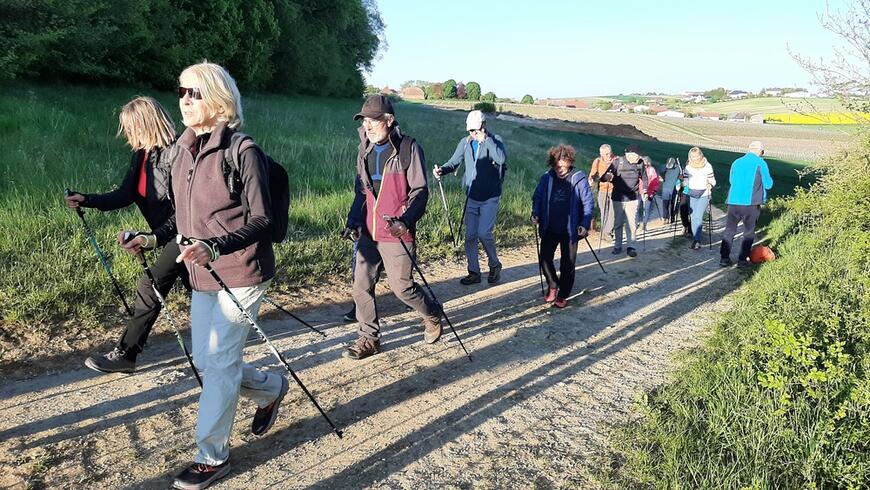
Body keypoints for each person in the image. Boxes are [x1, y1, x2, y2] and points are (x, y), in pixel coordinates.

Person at [125, 62, 287, 489]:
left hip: (241, 271)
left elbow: (263, 220)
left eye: (193, 93)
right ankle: (270, 389)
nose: (183, 99)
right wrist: (152, 236)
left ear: (217, 99)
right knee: (208, 359)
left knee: (218, 364)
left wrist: (216, 246)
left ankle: (211, 456)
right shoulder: (181, 150)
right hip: (201, 272)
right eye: (180, 91)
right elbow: (183, 215)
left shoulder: (242, 150)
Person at [65, 96, 188, 374]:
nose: (129, 135)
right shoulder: (143, 154)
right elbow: (126, 194)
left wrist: (152, 237)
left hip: (186, 234)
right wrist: (88, 200)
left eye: (131, 128)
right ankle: (128, 355)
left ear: (147, 124)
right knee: (194, 290)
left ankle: (126, 355)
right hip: (167, 236)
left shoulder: (179, 153)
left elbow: (186, 211)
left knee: (151, 285)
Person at [342, 94, 442, 360]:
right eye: (364, 121)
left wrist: (406, 221)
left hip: (397, 231)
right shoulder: (364, 149)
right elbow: (361, 192)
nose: (368, 126)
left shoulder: (408, 148)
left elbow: (420, 193)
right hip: (369, 230)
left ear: (389, 119)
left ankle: (432, 314)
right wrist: (353, 221)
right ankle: (368, 338)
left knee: (402, 288)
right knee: (360, 286)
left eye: (373, 121)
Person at [433, 110, 507, 285]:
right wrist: (442, 170)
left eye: (476, 130)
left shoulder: (495, 141)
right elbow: (453, 162)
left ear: (483, 126)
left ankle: (495, 264)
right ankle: (474, 272)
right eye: (470, 131)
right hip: (471, 196)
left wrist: (486, 141)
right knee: (470, 235)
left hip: (490, 196)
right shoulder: (465, 143)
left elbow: (501, 159)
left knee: (483, 232)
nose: (473, 134)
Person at [531, 144, 594, 308]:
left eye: (563, 166)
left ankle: (563, 293)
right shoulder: (547, 178)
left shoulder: (579, 178)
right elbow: (537, 197)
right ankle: (553, 285)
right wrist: (535, 213)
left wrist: (584, 223)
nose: (559, 169)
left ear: (569, 162)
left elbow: (588, 203)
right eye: (556, 166)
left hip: (570, 230)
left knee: (567, 264)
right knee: (544, 258)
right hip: (549, 227)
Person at [719, 141, 773, 267]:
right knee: (748, 232)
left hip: (733, 202)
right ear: (760, 151)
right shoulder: (761, 163)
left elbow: (731, 180)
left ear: (749, 149)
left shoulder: (736, 162)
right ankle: (742, 260)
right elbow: (768, 184)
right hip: (751, 203)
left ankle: (724, 258)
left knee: (729, 231)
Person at [600, 144, 643, 257]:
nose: (638, 158)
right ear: (629, 155)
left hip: (633, 197)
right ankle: (617, 246)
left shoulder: (640, 164)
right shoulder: (617, 162)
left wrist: (647, 189)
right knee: (618, 223)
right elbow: (604, 177)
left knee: (631, 223)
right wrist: (608, 177)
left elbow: (645, 177)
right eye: (637, 156)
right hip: (618, 197)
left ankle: (631, 247)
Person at [684, 147, 717, 250]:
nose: (695, 158)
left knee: (698, 216)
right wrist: (682, 185)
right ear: (690, 156)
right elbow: (685, 181)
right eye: (692, 156)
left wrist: (710, 185)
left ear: (700, 155)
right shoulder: (688, 167)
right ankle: (696, 238)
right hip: (692, 193)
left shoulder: (707, 166)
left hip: (704, 194)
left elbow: (713, 180)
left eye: (697, 156)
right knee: (693, 217)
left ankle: (697, 241)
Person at [588, 144, 615, 240]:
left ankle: (608, 232)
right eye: (606, 154)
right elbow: (592, 173)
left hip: (615, 190)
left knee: (612, 212)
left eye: (610, 153)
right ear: (601, 154)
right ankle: (604, 232)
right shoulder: (597, 161)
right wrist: (591, 179)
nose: (609, 156)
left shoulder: (616, 160)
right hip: (602, 190)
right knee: (604, 212)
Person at [635, 155, 661, 231]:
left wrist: (654, 191)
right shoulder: (638, 168)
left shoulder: (651, 170)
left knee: (646, 209)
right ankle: (636, 224)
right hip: (638, 192)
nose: (644, 164)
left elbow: (655, 181)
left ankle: (644, 225)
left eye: (645, 163)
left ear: (649, 162)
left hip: (649, 192)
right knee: (636, 208)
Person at [660, 157, 682, 224]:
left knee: (673, 204)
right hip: (665, 188)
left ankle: (672, 218)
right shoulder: (664, 167)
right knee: (665, 204)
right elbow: (661, 173)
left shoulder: (678, 168)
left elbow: (681, 176)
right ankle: (665, 217)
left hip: (673, 189)